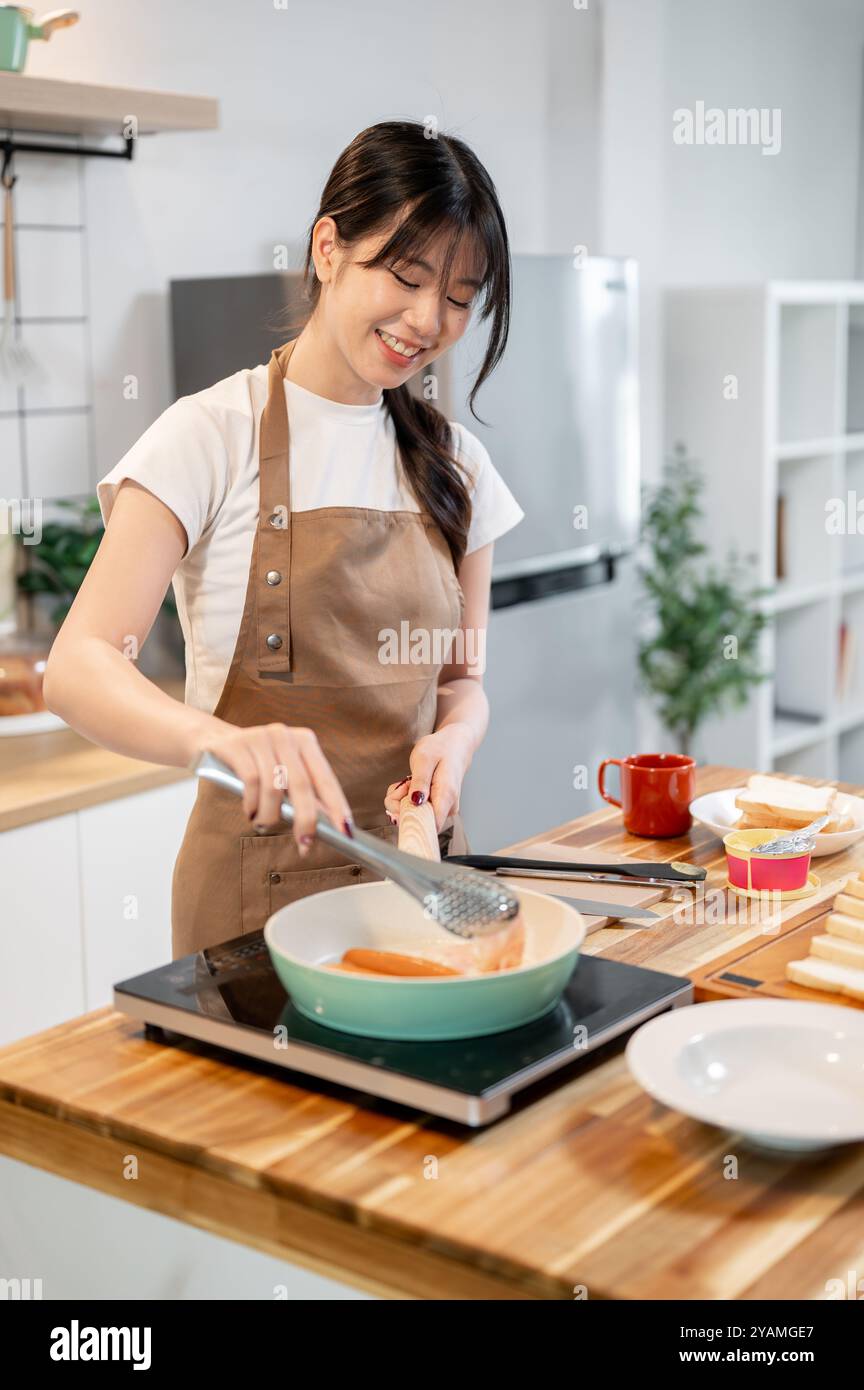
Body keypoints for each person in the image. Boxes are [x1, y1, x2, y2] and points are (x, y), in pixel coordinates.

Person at [44, 120, 524, 956]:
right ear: (328, 247)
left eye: (457, 298)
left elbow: (462, 681)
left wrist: (458, 737)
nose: (426, 320)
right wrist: (219, 741)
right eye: (405, 278)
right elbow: (80, 666)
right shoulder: (209, 435)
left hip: (421, 893)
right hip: (249, 918)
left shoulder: (457, 465)